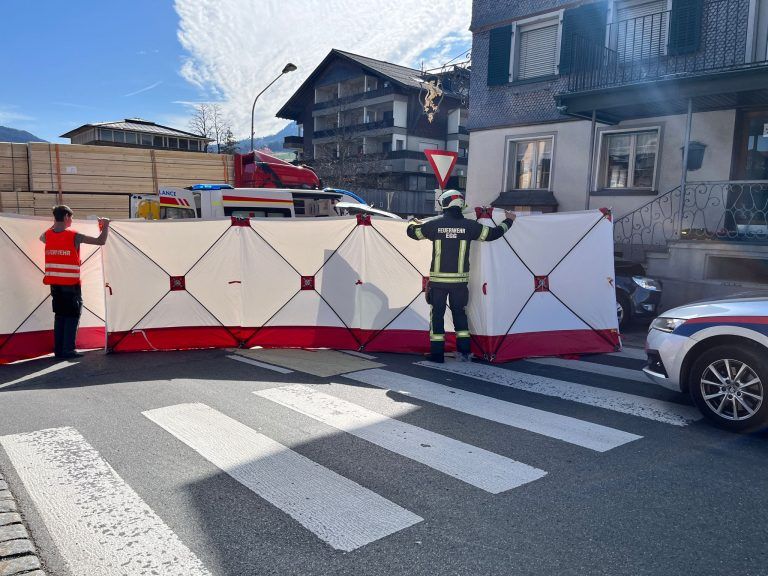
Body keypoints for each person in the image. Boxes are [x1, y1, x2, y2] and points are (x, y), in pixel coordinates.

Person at [407, 190, 515, 363]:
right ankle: (464, 354)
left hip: (438, 283)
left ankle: (437, 355)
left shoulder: (434, 225)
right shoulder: (470, 226)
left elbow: (412, 233)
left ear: (444, 204)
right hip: (459, 284)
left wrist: (414, 223)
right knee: (460, 315)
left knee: (437, 316)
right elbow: (494, 234)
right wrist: (509, 221)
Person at [39, 205, 110, 359]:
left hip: (55, 285)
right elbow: (101, 241)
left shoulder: (47, 235)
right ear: (66, 217)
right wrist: (106, 224)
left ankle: (59, 350)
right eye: (70, 217)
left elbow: (42, 237)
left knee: (60, 316)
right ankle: (68, 350)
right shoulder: (74, 236)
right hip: (70, 285)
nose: (72, 220)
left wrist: (56, 223)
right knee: (72, 315)